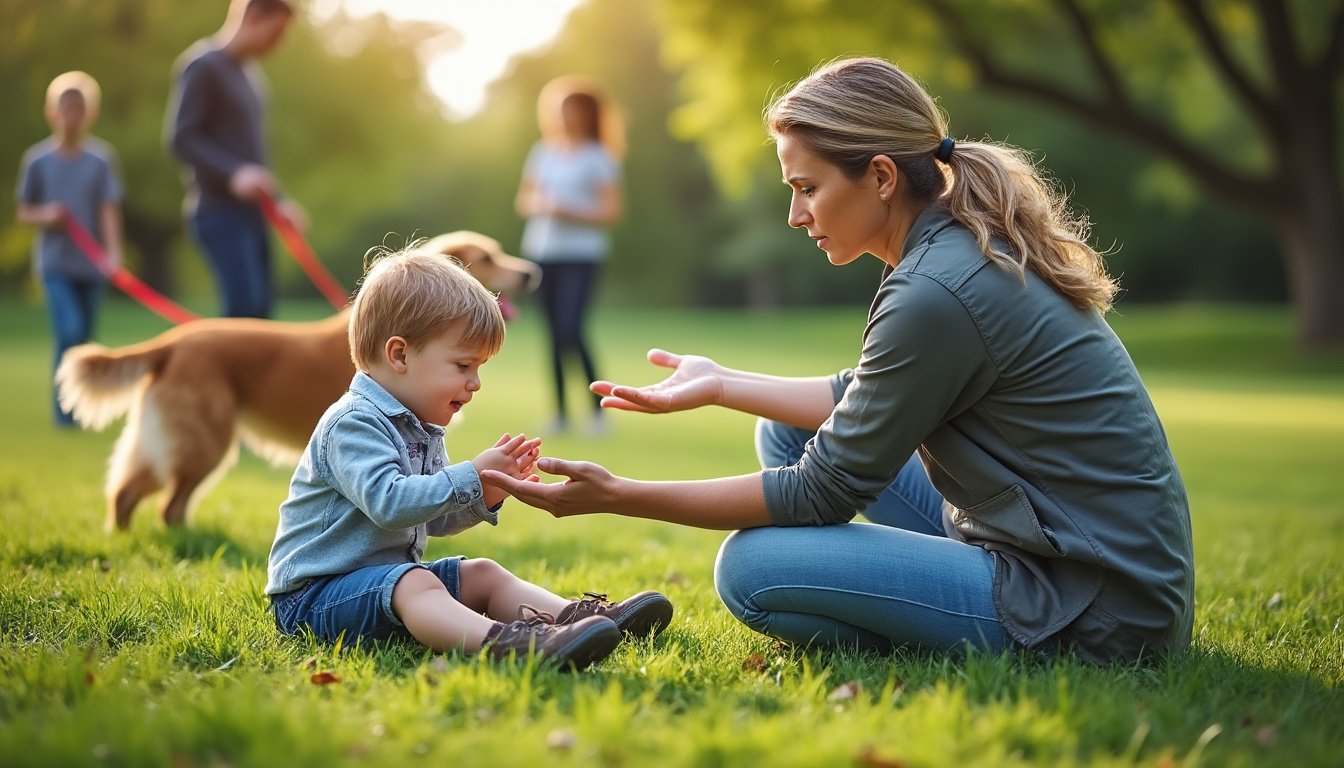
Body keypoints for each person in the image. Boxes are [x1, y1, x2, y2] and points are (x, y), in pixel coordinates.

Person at [483, 57, 1194, 666]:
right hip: (1066, 549)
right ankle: (920, 604)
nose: (797, 215)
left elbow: (821, 494)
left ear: (881, 176)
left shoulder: (935, 289)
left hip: (1095, 606)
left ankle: (939, 623)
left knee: (752, 570)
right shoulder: (953, 245)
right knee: (782, 433)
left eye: (807, 188)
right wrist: (722, 385)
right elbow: (870, 394)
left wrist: (619, 494)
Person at [264, 244, 673, 669]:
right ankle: (508, 645)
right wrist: (471, 475)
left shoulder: (421, 426)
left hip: (384, 586)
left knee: (481, 573)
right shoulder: (353, 424)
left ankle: (579, 621)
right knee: (415, 582)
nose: (475, 383)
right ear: (400, 355)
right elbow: (391, 504)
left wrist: (489, 491)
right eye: (463, 366)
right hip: (314, 600)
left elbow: (433, 518)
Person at [166, 0, 305, 319]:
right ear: (254, 16)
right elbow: (182, 138)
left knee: (261, 316)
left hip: (254, 216)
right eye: (277, 32)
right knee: (245, 312)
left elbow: (254, 155)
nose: (279, 44)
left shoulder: (251, 76)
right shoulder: (203, 65)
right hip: (218, 213)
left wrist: (279, 201)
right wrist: (233, 174)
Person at [514, 76, 625, 435]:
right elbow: (524, 199)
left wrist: (565, 209)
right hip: (542, 253)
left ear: (586, 114)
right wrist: (540, 205)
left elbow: (610, 212)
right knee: (552, 335)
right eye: (560, 110)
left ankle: (597, 410)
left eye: (571, 110)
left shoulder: (598, 157)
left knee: (571, 329)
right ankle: (560, 413)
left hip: (581, 255)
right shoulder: (543, 151)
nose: (564, 117)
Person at [16, 71, 125, 428]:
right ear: (52, 112)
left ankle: (80, 410)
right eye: (65, 109)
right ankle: (64, 415)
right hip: (55, 264)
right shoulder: (37, 161)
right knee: (70, 331)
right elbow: (24, 210)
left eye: (79, 110)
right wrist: (47, 215)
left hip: (90, 265)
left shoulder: (100, 160)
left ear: (89, 114)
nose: (71, 117)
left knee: (85, 340)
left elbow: (108, 208)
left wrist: (113, 254)